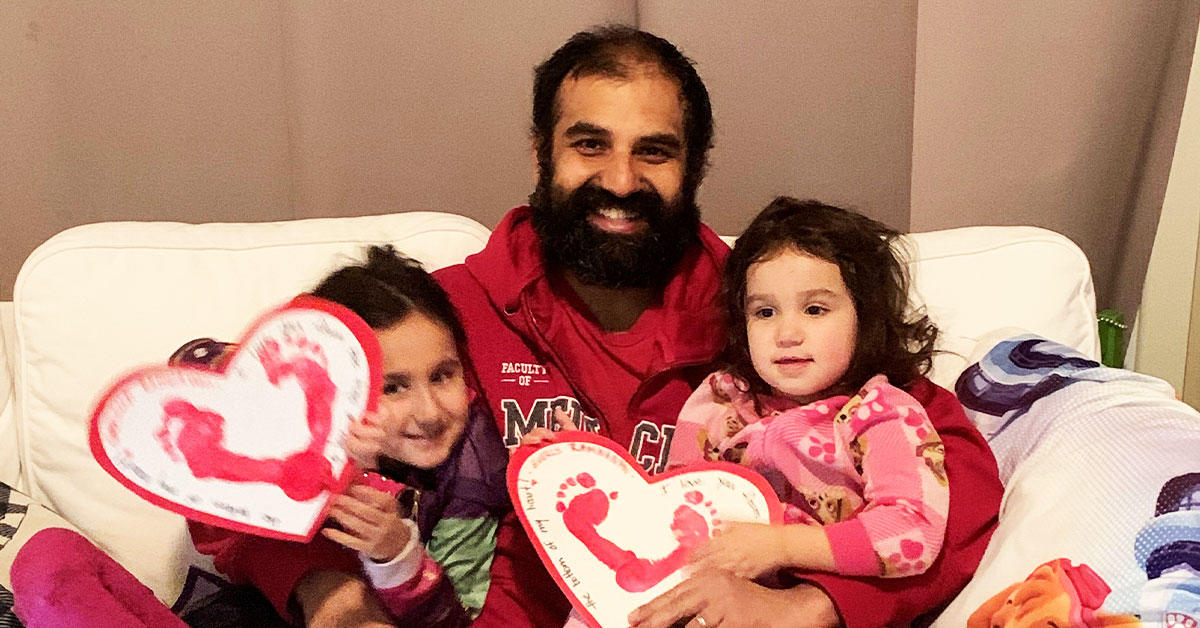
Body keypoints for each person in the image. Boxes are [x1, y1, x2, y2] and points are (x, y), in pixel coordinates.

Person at [434, 25, 1004, 628]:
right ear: (541, 153)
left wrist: (808, 607)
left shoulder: (766, 315)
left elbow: (955, 482)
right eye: (590, 145)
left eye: (654, 151)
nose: (621, 181)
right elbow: (340, 457)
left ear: (696, 166)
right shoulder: (451, 309)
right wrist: (333, 585)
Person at [636, 198, 954, 624]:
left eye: (815, 309)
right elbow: (670, 497)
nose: (786, 334)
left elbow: (912, 532)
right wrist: (571, 453)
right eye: (765, 312)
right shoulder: (720, 397)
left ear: (866, 319)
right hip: (699, 597)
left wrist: (781, 546)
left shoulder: (883, 414)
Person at [175, 245, 509, 628]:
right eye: (393, 388)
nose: (430, 412)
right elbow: (196, 369)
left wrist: (397, 555)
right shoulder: (300, 423)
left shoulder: (473, 470)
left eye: (442, 375)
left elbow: (453, 620)